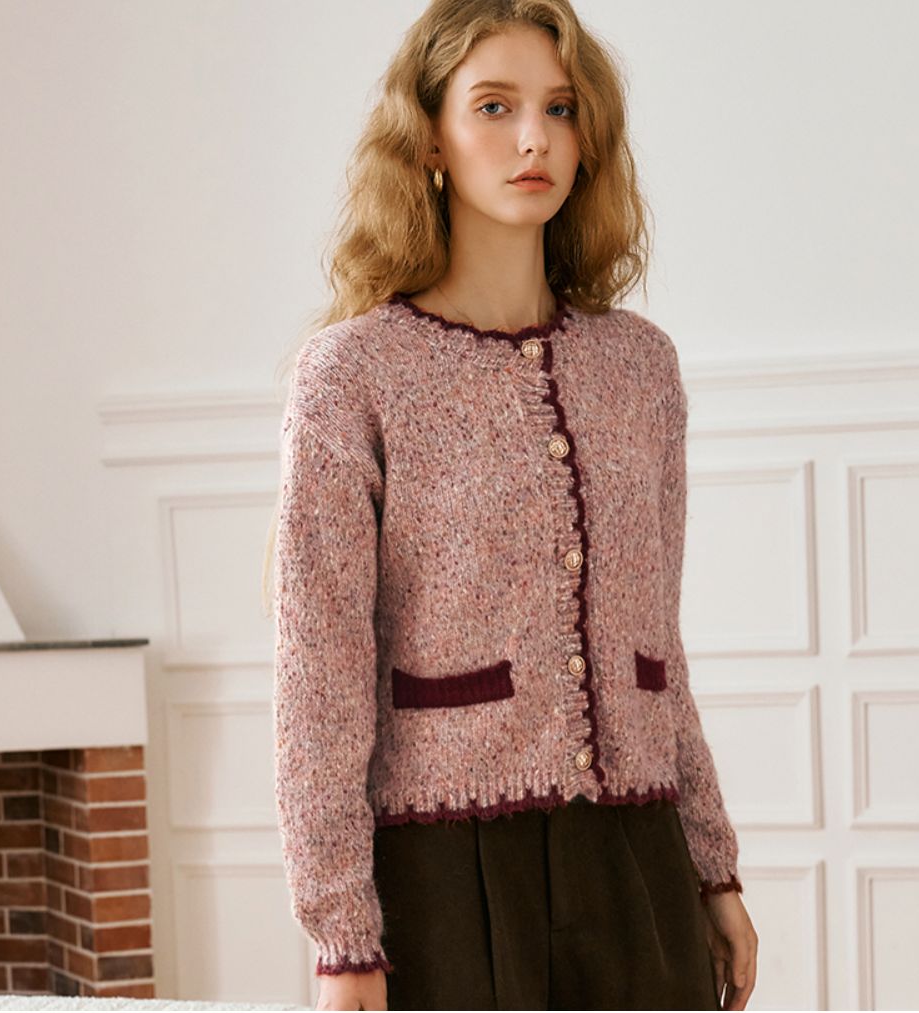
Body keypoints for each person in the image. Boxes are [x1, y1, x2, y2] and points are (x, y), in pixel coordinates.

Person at [263, 1, 758, 1008]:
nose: (534, 138)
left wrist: (712, 866)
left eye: (560, 109)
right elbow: (319, 674)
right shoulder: (353, 375)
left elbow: (657, 649)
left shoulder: (640, 369)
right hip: (443, 875)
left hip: (637, 860)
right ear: (428, 140)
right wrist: (341, 934)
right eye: (494, 106)